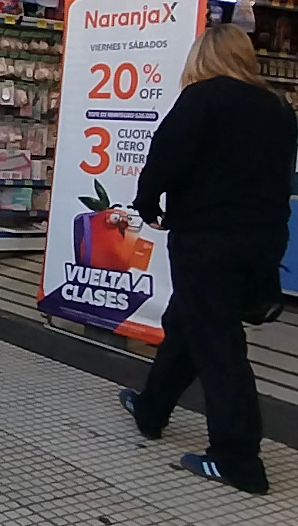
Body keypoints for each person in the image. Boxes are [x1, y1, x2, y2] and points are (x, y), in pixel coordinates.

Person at [121, 24, 296, 495]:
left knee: (219, 345)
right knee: (190, 322)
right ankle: (151, 409)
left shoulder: (202, 98)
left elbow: (165, 158)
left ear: (203, 57)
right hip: (263, 238)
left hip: (207, 239)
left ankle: (238, 459)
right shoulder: (278, 107)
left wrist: (147, 203)